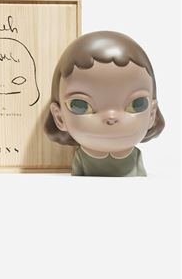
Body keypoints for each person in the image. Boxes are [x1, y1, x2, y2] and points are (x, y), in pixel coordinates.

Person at [45, 31, 164, 176]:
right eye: (81, 105)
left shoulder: (135, 156)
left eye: (137, 104)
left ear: (151, 114)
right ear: (59, 117)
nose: (111, 118)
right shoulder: (81, 157)